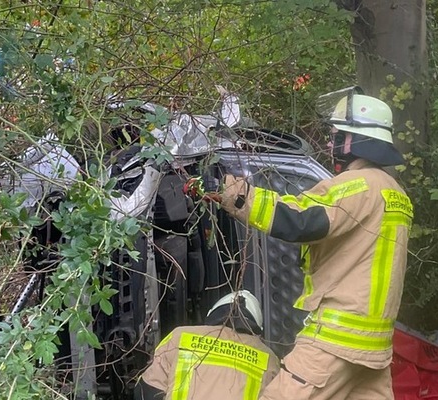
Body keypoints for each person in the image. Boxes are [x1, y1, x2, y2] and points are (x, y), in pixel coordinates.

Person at [208, 87, 413, 399]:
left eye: (336, 134)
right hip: (372, 349)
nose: (330, 143)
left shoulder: (356, 186)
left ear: (355, 139)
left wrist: (231, 191)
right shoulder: (395, 193)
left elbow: (298, 220)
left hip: (335, 341)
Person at [135, 290, 281, 400]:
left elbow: (145, 391)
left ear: (212, 314)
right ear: (256, 328)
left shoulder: (179, 337)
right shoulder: (269, 359)